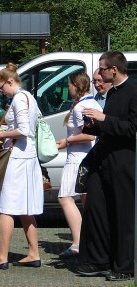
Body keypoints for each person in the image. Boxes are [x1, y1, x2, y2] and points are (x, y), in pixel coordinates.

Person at [78, 51, 137, 281]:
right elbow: (111, 126)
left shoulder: (133, 92)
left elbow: (132, 129)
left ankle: (124, 266)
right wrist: (92, 126)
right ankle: (98, 260)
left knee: (122, 213)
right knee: (97, 208)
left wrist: (104, 119)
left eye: (102, 69)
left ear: (114, 69)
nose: (99, 74)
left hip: (123, 161)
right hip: (103, 159)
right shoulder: (112, 94)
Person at [0, 63, 43, 270]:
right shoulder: (29, 97)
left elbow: (24, 130)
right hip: (27, 156)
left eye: (2, 88)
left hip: (18, 157)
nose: (3, 93)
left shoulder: (19, 99)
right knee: (26, 208)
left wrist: (1, 134)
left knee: (6, 207)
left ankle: (2, 256)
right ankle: (34, 253)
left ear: (10, 82)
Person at [55, 72, 100, 258]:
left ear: (75, 85)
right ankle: (90, 241)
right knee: (85, 199)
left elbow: (90, 134)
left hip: (78, 158)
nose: (68, 89)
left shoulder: (81, 106)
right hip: (88, 156)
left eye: (69, 85)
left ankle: (78, 242)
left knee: (65, 197)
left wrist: (67, 140)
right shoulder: (92, 103)